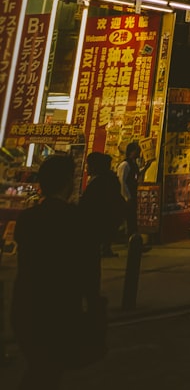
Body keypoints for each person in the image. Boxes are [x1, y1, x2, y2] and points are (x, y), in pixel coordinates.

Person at [13, 154, 104, 389]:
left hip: (26, 305)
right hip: (60, 308)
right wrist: (94, 306)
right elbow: (90, 271)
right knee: (47, 371)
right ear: (67, 183)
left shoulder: (28, 219)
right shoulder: (78, 220)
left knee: (42, 369)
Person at [80, 152, 125, 258]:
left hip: (102, 217)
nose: (87, 167)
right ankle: (105, 248)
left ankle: (104, 248)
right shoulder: (107, 179)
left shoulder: (101, 182)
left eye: (89, 165)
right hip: (107, 216)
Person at [117, 141, 152, 239]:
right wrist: (127, 197)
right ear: (131, 152)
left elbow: (137, 174)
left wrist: (146, 167)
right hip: (126, 197)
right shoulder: (124, 165)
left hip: (132, 194)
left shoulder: (133, 164)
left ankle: (134, 241)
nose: (138, 153)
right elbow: (122, 182)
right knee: (128, 219)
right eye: (137, 151)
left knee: (132, 218)